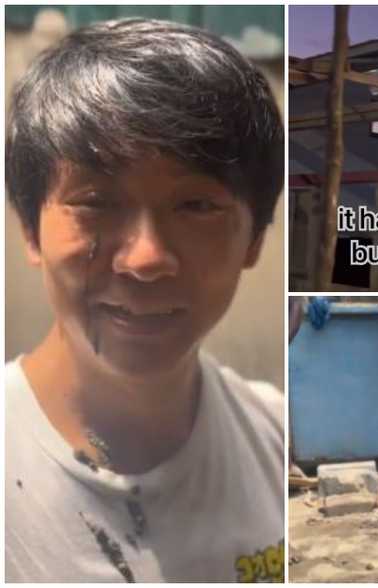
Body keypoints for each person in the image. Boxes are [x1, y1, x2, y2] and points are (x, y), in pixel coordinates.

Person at [5, 18, 284, 582]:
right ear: (32, 231)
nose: (146, 259)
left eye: (197, 206)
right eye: (95, 201)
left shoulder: (277, 434)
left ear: (253, 239)